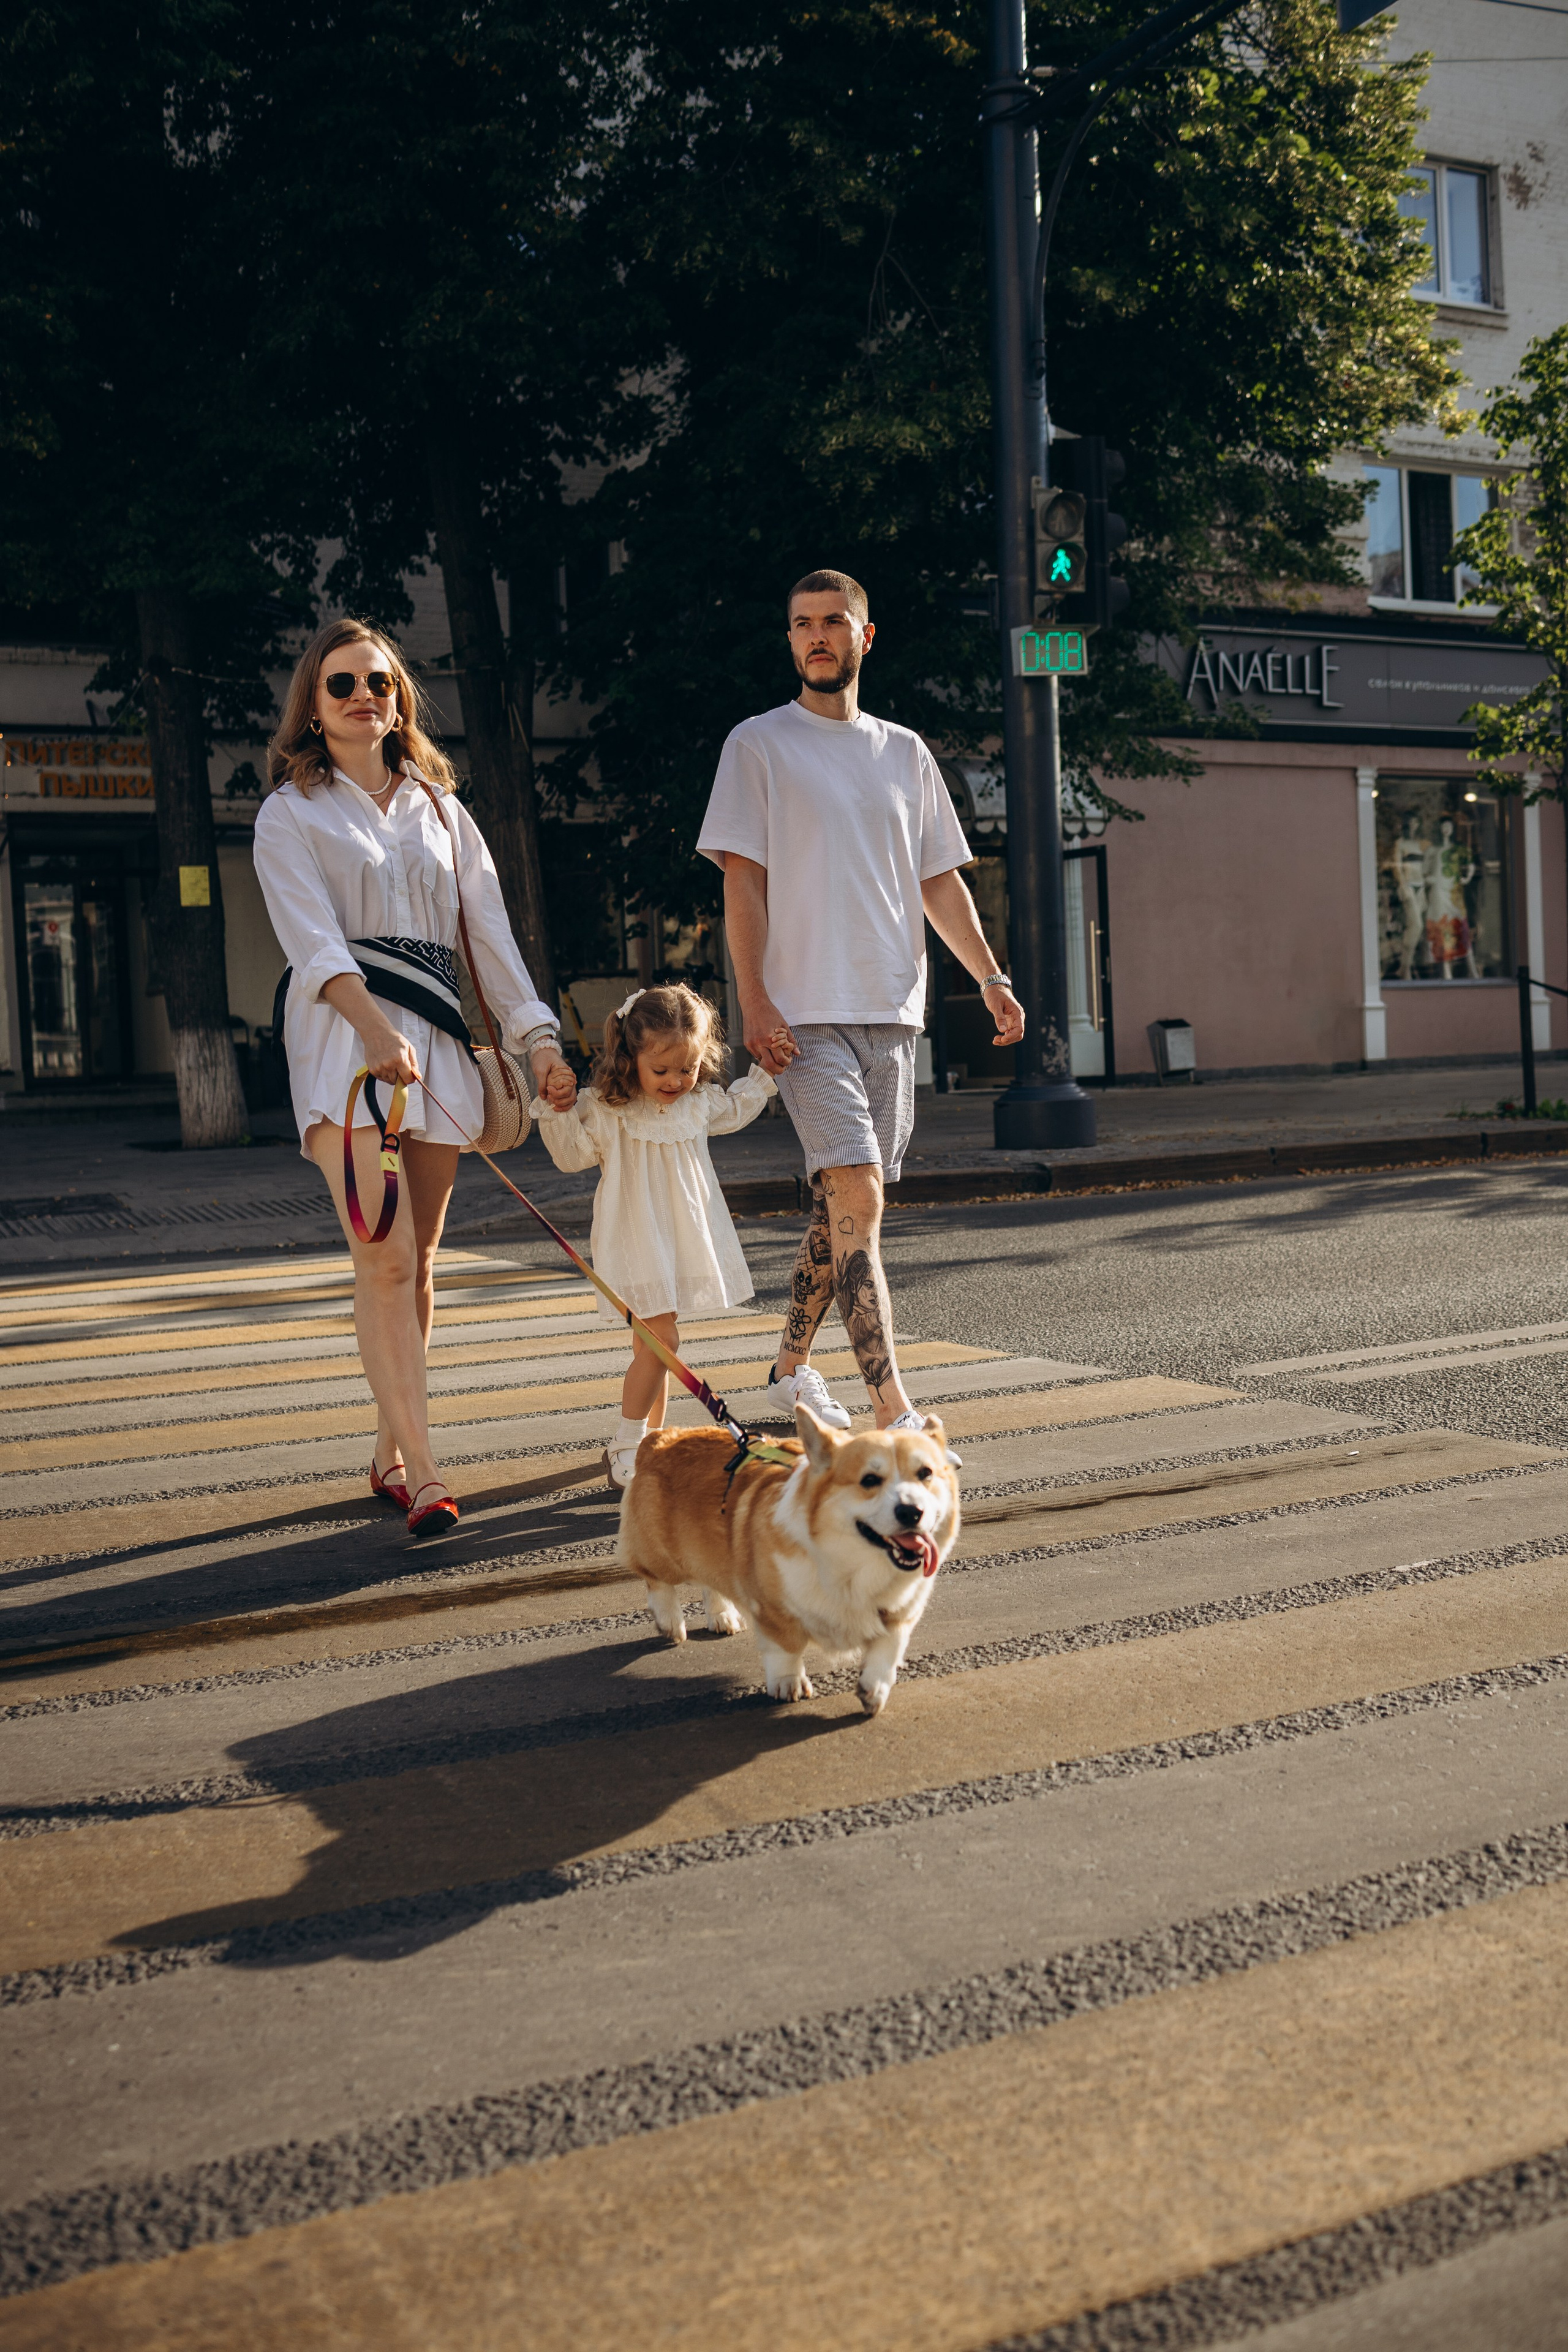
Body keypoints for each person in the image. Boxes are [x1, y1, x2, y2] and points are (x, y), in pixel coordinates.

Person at [253, 616, 576, 1537]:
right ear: (313, 709)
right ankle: (427, 1473)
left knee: (419, 1264)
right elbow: (311, 942)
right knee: (385, 1257)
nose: (366, 698)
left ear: (400, 701)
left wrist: (538, 1041)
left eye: (382, 683)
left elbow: (488, 937)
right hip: (344, 1052)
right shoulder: (291, 814)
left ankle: (391, 1447)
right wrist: (369, 1029)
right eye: (344, 685)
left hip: (433, 1049)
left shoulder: (441, 807)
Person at [697, 568, 1025, 1433]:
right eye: (801, 623)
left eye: (833, 622)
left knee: (841, 1208)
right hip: (804, 1014)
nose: (816, 637)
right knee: (860, 1196)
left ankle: (788, 1374)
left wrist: (989, 977)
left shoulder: (903, 751)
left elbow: (939, 882)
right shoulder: (759, 745)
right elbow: (743, 883)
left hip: (894, 1009)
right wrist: (756, 1002)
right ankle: (893, 1408)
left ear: (863, 637)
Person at [531, 982, 777, 1488]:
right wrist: (558, 1111)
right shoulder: (607, 1108)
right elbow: (571, 1157)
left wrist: (767, 1073)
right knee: (663, 1338)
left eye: (687, 1068)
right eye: (661, 1070)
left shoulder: (699, 1102)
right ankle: (625, 1440)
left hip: (681, 1238)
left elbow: (737, 1109)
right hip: (634, 1238)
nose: (676, 1080)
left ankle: (648, 1443)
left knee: (652, 1348)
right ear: (630, 1057)